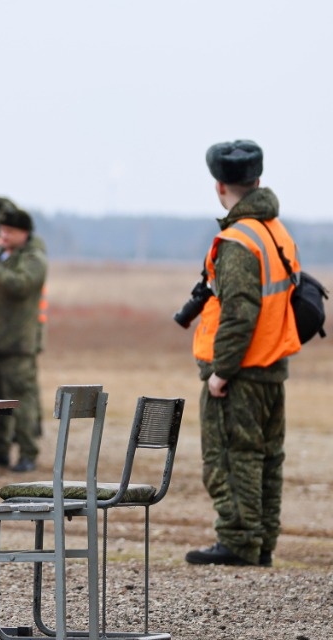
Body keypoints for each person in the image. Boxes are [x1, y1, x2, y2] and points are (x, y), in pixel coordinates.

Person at [185, 140, 300, 567]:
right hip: (272, 367)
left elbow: (239, 313)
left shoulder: (237, 241)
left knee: (232, 456)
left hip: (242, 371)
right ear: (257, 179)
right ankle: (261, 541)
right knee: (266, 458)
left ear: (220, 186)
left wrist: (221, 371)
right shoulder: (276, 232)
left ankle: (238, 541)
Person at [0, 204, 47, 472]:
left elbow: (19, 285)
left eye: (10, 231)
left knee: (21, 400)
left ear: (24, 233)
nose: (3, 236)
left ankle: (28, 453)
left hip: (17, 344)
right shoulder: (0, 254)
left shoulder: (34, 259)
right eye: (2, 230)